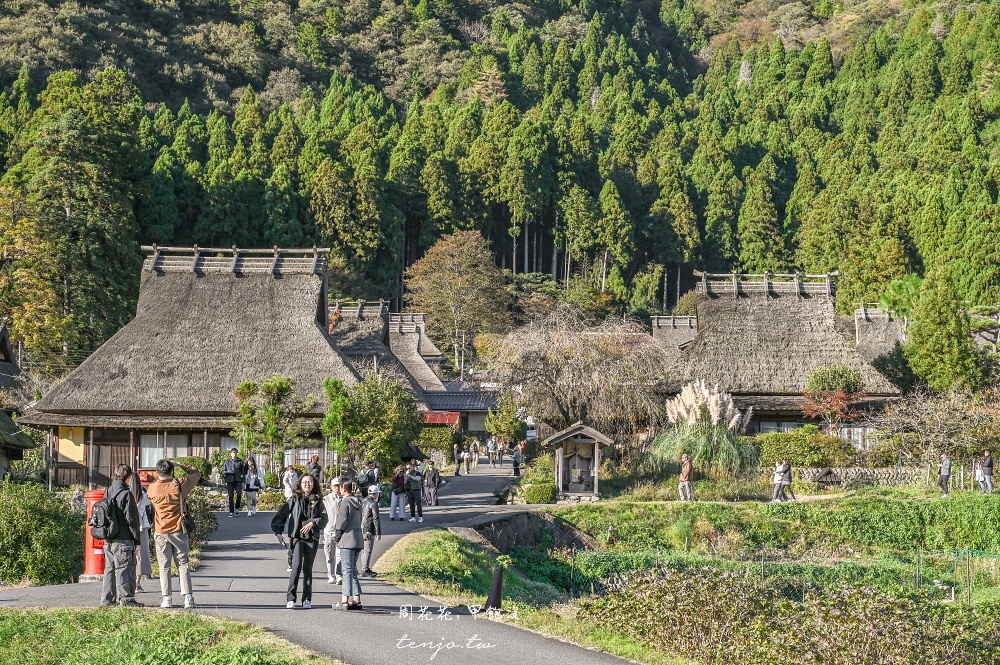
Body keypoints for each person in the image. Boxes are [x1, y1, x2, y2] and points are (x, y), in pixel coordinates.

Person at [146, 458, 201, 609]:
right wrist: (180, 464)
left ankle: (166, 598)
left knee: (164, 565)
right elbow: (196, 473)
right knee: (183, 563)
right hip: (178, 529)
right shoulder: (179, 484)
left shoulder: (152, 488)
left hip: (160, 530)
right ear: (172, 471)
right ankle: (188, 597)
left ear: (157, 473)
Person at [272, 473, 328, 609]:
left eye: (310, 482)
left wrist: (313, 523)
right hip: (297, 538)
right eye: (304, 482)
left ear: (314, 484)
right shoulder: (294, 499)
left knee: (308, 569)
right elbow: (282, 515)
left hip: (312, 538)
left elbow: (324, 518)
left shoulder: (318, 501)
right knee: (296, 567)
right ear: (300, 484)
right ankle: (291, 599)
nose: (307, 484)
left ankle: (306, 599)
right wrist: (278, 532)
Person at [101, 464, 142, 607]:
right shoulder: (126, 494)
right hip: (123, 537)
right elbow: (132, 519)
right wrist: (136, 539)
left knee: (110, 569)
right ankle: (126, 599)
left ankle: (107, 600)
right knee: (124, 567)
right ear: (129, 477)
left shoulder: (108, 491)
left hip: (108, 537)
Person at [334, 480, 364, 610]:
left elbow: (341, 522)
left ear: (344, 489)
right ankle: (356, 598)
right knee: (352, 570)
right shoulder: (358, 502)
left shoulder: (345, 502)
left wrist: (337, 536)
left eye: (340, 487)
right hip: (358, 538)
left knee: (346, 570)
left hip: (347, 539)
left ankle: (344, 599)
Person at [126, 471, 153, 593]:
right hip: (142, 527)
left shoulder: (126, 494)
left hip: (128, 527)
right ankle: (138, 583)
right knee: (141, 555)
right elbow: (149, 503)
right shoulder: (142, 495)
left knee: (129, 553)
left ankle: (128, 582)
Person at [323, 477, 343, 584]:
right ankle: (331, 575)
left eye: (339, 486)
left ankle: (339, 574)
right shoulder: (326, 499)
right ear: (331, 487)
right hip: (328, 531)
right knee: (329, 555)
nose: (337, 488)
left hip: (341, 532)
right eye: (335, 486)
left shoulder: (345, 499)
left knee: (340, 555)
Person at [360, 485, 382, 577]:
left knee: (364, 550)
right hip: (368, 528)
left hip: (361, 528)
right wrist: (378, 532)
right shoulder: (373, 503)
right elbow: (375, 518)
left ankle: (364, 567)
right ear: (375, 494)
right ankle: (365, 569)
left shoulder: (362, 501)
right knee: (368, 550)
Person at [222, 447, 247, 517]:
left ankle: (237, 508)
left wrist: (243, 482)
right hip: (230, 481)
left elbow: (243, 472)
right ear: (231, 454)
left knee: (239, 495)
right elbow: (223, 472)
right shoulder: (227, 462)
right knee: (231, 496)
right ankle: (231, 511)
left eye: (235, 452)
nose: (234, 454)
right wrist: (228, 471)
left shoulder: (240, 461)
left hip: (238, 480)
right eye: (233, 452)